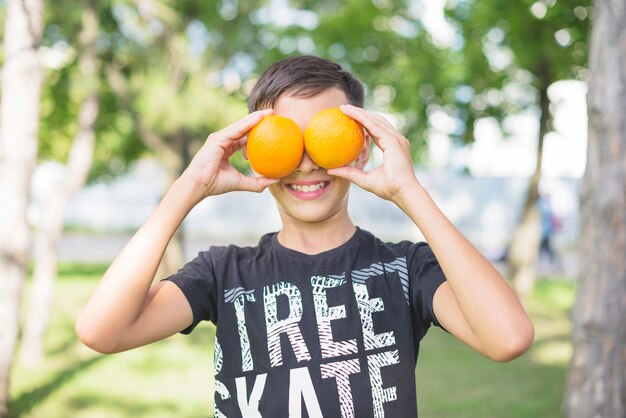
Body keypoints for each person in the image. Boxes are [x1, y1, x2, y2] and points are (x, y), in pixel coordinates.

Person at [76, 55, 534, 417]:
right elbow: (101, 330)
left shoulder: (405, 269)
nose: (306, 163)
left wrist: (408, 191)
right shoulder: (223, 273)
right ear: (256, 153)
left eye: (321, 138)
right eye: (286, 140)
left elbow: (507, 338)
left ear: (361, 144)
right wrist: (188, 187)